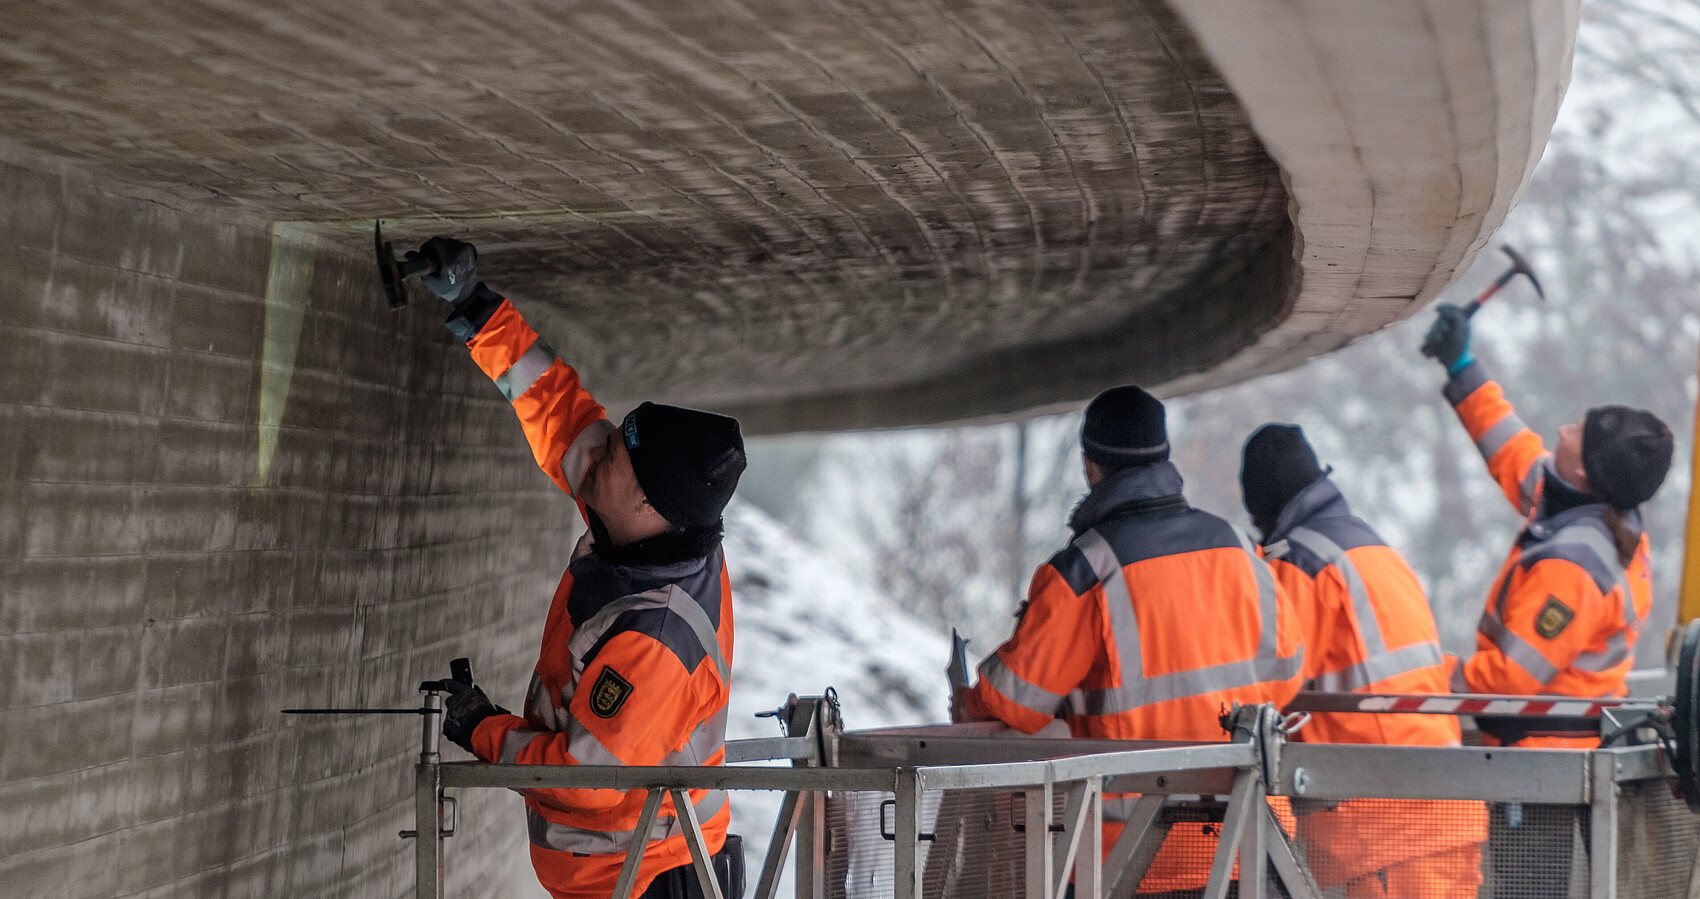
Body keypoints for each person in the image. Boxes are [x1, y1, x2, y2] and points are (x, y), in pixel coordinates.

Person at [414, 237, 745, 899]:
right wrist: (476, 307)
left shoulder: (655, 639)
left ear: (649, 504)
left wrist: (480, 726)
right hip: (629, 872)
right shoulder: (638, 516)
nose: (597, 451)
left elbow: (585, 780)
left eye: (615, 454)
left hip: (649, 879)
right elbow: (561, 413)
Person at [955, 385, 1306, 895]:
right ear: (1165, 458)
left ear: (1089, 466)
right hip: (1253, 846)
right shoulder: (1236, 548)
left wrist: (966, 700)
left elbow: (1013, 702)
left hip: (1138, 862)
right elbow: (1290, 671)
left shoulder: (1087, 570)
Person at [1241, 423, 1485, 899]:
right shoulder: (1374, 548)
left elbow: (1267, 690)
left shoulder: (1299, 567)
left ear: (1261, 512)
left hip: (1384, 830)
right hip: (1448, 808)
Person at [1421, 302, 1673, 748]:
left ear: (1584, 477)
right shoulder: (1600, 507)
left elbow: (1507, 679)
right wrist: (1462, 367)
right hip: (1542, 751)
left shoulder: (1573, 568)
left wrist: (1418, 671)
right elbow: (1512, 451)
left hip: (1543, 770)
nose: (1560, 431)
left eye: (1574, 433)